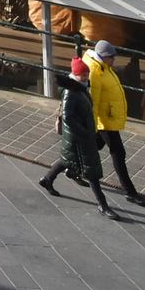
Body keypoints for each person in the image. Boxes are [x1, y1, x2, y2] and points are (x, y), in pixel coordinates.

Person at [39, 58, 118, 219]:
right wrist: (84, 132)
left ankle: (47, 179)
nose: (87, 76)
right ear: (76, 74)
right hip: (79, 137)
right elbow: (68, 116)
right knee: (91, 170)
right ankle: (103, 205)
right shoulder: (72, 91)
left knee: (66, 160)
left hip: (80, 136)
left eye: (87, 73)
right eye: (83, 74)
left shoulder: (80, 87)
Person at [86, 40, 145, 206]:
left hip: (107, 118)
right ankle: (130, 192)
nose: (114, 59)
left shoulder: (104, 67)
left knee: (93, 147)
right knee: (118, 153)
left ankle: (66, 168)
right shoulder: (96, 72)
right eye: (111, 57)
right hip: (104, 121)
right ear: (103, 57)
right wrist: (93, 125)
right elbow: (93, 102)